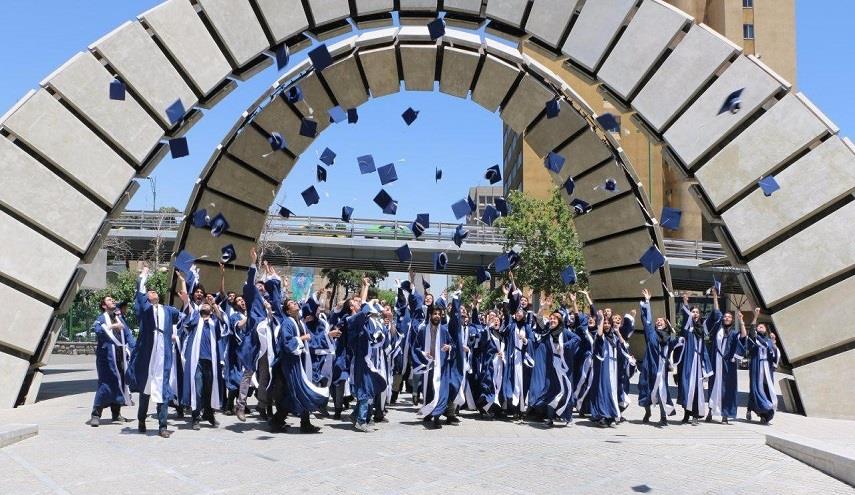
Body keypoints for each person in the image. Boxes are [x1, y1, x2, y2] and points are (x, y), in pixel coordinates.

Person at [127, 264, 183, 438]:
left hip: (163, 354)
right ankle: (141, 419)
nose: (153, 293)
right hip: (148, 354)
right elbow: (140, 295)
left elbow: (185, 317)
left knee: (162, 388)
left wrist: (186, 299)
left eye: (154, 291)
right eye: (150, 292)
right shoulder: (145, 310)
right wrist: (144, 275)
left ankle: (162, 426)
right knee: (146, 389)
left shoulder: (168, 310)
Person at [272, 295, 329, 433]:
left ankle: (297, 422)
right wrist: (302, 338)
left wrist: (328, 335)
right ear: (288, 310)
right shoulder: (287, 323)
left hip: (301, 362)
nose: (295, 303)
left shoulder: (300, 323)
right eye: (291, 303)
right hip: (290, 364)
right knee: (296, 392)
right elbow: (286, 343)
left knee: (297, 392)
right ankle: (279, 421)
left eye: (295, 302)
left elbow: (311, 339)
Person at [87, 295, 136, 426]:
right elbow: (98, 330)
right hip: (106, 358)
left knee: (119, 382)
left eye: (113, 299)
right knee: (105, 384)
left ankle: (116, 414)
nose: (113, 300)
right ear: (104, 305)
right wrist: (113, 326)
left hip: (120, 356)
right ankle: (96, 414)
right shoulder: (101, 318)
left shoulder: (119, 318)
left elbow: (128, 334)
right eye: (109, 300)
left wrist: (135, 348)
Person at [180, 292, 224, 431]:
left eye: (207, 304)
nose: (205, 304)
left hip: (211, 362)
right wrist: (186, 299)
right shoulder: (195, 320)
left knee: (209, 390)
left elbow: (222, 320)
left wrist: (214, 304)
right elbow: (186, 316)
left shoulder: (214, 322)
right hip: (197, 361)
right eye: (203, 304)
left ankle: (209, 415)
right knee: (197, 390)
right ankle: (195, 418)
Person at [636, 289, 679, 426]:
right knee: (645, 389)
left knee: (662, 391)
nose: (659, 322)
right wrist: (647, 301)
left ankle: (663, 416)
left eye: (662, 321)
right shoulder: (651, 333)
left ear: (666, 325)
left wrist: (675, 334)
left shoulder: (668, 338)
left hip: (661, 369)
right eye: (658, 321)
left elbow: (676, 345)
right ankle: (647, 412)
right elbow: (647, 319)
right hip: (649, 366)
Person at [411, 301, 456, 429]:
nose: (437, 316)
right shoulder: (423, 330)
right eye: (435, 314)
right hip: (428, 366)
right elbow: (415, 347)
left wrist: (449, 347)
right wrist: (423, 354)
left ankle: (437, 417)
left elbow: (453, 345)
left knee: (439, 391)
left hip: (441, 367)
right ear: (430, 315)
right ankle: (429, 412)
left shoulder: (444, 330)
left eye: (439, 314)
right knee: (429, 391)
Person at [676, 292, 714, 425]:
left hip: (698, 362)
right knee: (686, 387)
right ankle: (686, 414)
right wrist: (685, 302)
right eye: (693, 312)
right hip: (688, 361)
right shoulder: (688, 328)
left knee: (697, 389)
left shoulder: (702, 329)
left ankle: (695, 416)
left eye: (697, 312)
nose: (695, 314)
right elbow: (686, 317)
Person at [738, 308, 779, 424]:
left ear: (766, 329)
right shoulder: (755, 339)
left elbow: (775, 355)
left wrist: (774, 343)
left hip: (767, 370)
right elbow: (751, 332)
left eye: (761, 327)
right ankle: (751, 409)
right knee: (755, 389)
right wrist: (755, 316)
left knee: (766, 389)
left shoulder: (769, 341)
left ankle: (765, 415)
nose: (759, 328)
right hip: (757, 367)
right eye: (758, 327)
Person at [706, 290, 740, 424]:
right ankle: (710, 412)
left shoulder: (734, 333)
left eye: (729, 317)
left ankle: (725, 415)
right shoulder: (717, 329)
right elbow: (716, 312)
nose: (726, 318)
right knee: (713, 385)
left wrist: (743, 323)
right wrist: (715, 297)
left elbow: (741, 343)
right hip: (716, 362)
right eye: (725, 316)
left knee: (727, 388)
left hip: (727, 365)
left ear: (732, 320)